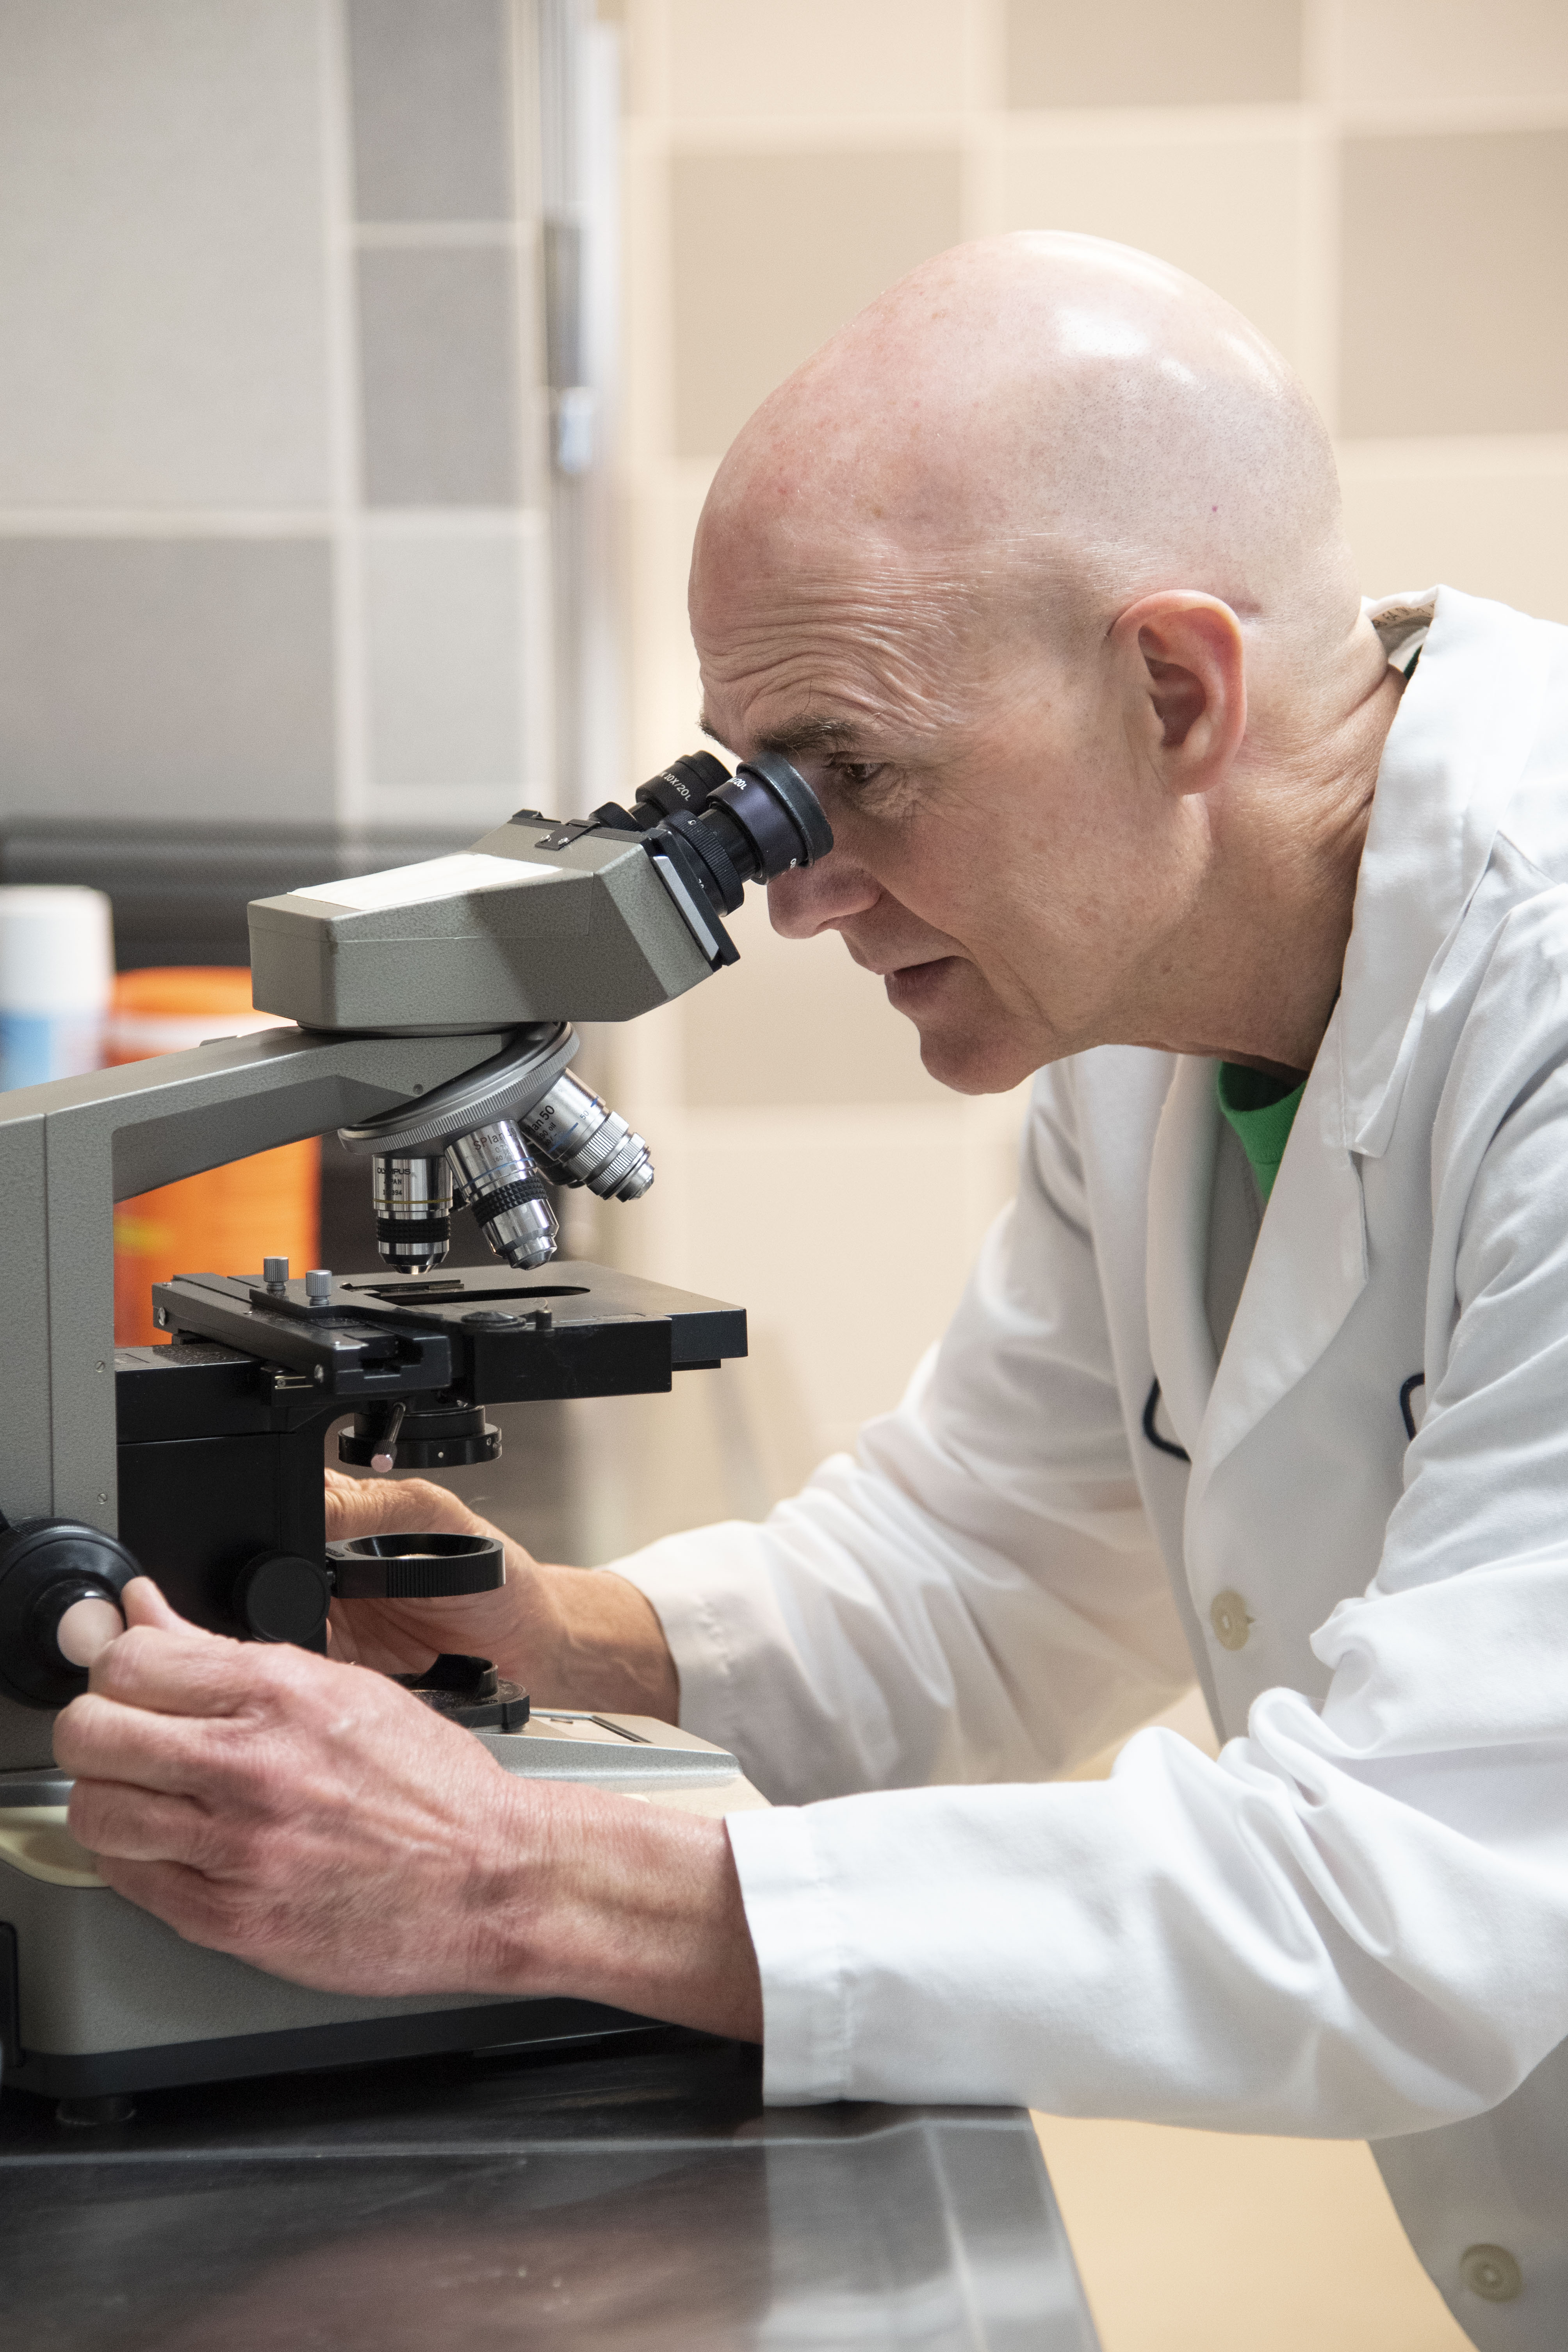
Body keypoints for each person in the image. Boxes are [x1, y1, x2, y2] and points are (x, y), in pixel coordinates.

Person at [56, 233, 1568, 2348]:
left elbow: (1404, 1901)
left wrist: (514, 1869)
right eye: (753, 793)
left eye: (849, 773)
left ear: (1176, 691)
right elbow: (983, 1571)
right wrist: (566, 1632)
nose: (796, 893)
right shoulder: (1149, 1002)